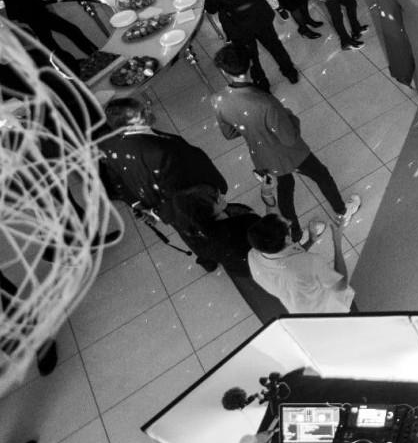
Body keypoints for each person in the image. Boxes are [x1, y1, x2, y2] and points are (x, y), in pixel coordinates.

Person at [212, 43, 360, 239]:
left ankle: (296, 234)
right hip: (290, 153)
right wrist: (290, 117)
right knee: (322, 175)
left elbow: (229, 134)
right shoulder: (265, 102)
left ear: (223, 70)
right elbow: (289, 138)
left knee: (285, 191)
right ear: (250, 65)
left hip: (262, 157)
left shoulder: (218, 100)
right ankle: (341, 212)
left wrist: (252, 127)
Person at [98, 97, 228, 272]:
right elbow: (179, 188)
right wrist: (216, 186)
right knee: (207, 227)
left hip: (162, 206)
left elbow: (117, 181)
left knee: (186, 233)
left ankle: (207, 261)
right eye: (143, 113)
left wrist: (139, 205)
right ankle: (225, 254)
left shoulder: (110, 146)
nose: (149, 112)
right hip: (186, 203)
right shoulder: (162, 151)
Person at [247, 215, 354, 314]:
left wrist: (311, 241)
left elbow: (289, 259)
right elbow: (341, 285)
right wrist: (337, 241)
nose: (290, 221)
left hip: (300, 313)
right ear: (287, 238)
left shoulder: (253, 255)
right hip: (329, 309)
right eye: (288, 225)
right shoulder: (310, 261)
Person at [0, 0, 98, 69]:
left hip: (26, 13)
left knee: (49, 40)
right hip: (33, 12)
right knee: (71, 31)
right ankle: (94, 57)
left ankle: (70, 67)